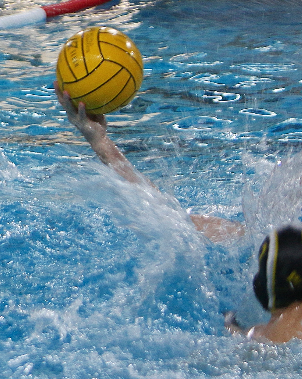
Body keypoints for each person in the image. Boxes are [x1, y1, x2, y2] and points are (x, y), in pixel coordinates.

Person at [57, 82, 302, 344]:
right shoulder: (253, 246)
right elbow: (171, 218)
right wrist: (101, 142)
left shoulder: (263, 338)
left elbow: (165, 217)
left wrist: (230, 325)